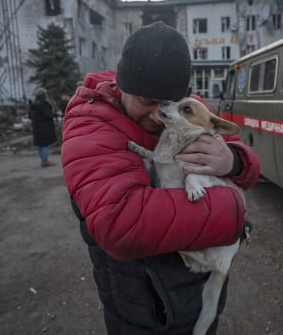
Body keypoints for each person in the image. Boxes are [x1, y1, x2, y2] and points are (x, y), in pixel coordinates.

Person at [61, 21, 261, 334]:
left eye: (167, 103)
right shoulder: (90, 124)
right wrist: (234, 212)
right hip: (145, 311)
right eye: (147, 101)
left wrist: (234, 161)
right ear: (124, 85)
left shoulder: (179, 104)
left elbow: (238, 156)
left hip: (196, 300)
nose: (160, 115)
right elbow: (121, 224)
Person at [29, 88, 57, 167]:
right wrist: (55, 114)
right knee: (45, 144)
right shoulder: (44, 104)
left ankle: (43, 160)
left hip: (36, 127)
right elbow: (47, 116)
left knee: (40, 145)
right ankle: (45, 161)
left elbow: (30, 116)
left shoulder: (33, 104)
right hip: (45, 127)